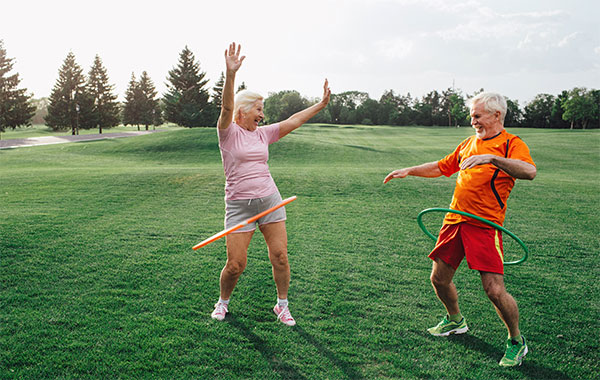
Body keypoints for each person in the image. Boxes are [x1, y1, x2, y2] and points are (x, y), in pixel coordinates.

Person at [384, 92, 536, 367]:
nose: (473, 121)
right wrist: (409, 170)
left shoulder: (510, 144)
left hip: (485, 226)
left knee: (493, 290)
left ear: (496, 115)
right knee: (439, 279)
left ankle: (516, 341)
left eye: (478, 115)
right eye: (472, 116)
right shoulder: (467, 143)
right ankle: (455, 320)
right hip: (454, 221)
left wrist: (491, 158)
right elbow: (442, 167)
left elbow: (529, 171)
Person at [211, 42, 331, 326]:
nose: (262, 115)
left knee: (280, 256)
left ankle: (282, 305)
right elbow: (227, 105)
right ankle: (222, 302)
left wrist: (321, 104)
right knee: (236, 265)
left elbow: (294, 120)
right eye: (259, 109)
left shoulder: (263, 134)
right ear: (243, 111)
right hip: (240, 206)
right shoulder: (227, 133)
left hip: (270, 200)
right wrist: (230, 75)